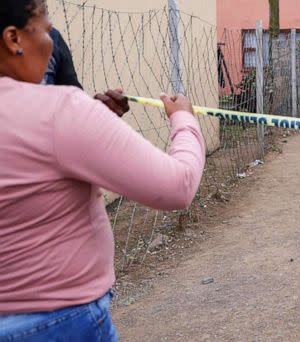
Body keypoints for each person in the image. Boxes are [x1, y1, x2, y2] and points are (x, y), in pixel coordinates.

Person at [0, 1, 206, 341]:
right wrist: (183, 119)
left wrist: (91, 123)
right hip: (58, 323)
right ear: (13, 39)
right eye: (45, 24)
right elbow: (178, 186)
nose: (53, 37)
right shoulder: (60, 111)